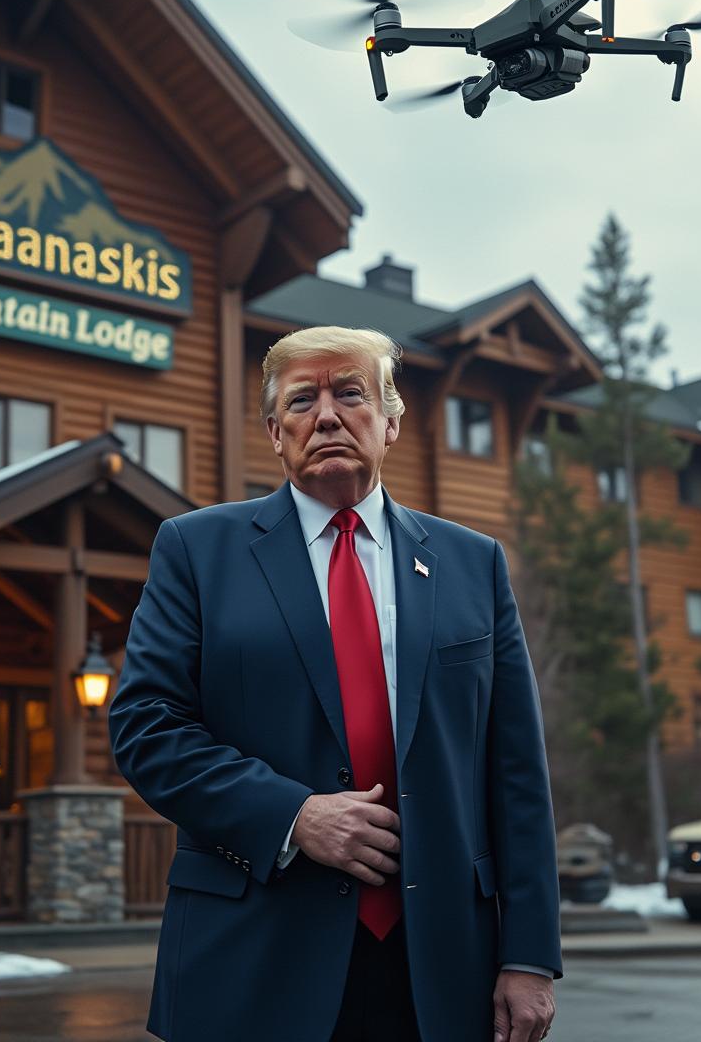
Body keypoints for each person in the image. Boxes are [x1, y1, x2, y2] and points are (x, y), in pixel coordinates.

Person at [108, 325, 562, 1042]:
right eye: (300, 402)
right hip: (252, 952)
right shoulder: (196, 550)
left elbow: (517, 775)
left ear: (390, 422)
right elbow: (146, 726)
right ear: (273, 432)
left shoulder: (473, 565)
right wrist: (294, 815)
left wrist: (531, 956)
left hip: (441, 967)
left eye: (349, 393)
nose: (325, 415)